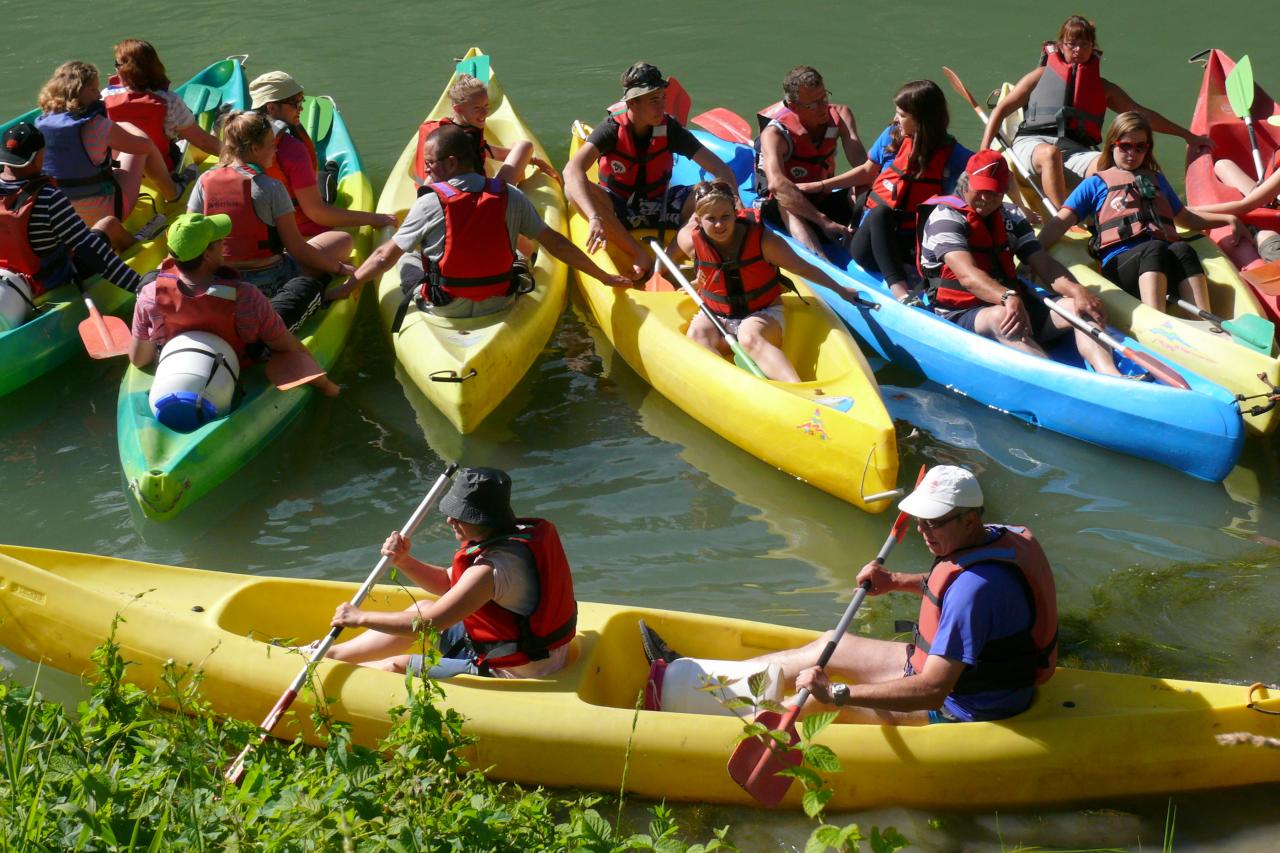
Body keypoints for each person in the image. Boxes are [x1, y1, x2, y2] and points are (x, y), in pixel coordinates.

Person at [642, 465, 1058, 725]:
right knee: (828, 643)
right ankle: (708, 680)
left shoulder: (975, 591)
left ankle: (705, 721)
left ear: (969, 520)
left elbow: (933, 690)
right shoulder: (999, 538)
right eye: (919, 520)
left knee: (807, 705)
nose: (922, 530)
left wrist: (838, 693)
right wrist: (896, 580)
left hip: (964, 706)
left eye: (934, 522)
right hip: (954, 675)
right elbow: (951, 590)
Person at [328, 124, 630, 326]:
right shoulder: (509, 195)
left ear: (450, 163)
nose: (428, 170)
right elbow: (556, 243)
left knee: (405, 254)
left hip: (444, 306)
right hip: (500, 301)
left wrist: (349, 287)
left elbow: (383, 257)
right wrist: (603, 276)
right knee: (522, 254)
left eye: (431, 162)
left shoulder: (429, 201)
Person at [324, 467, 578, 679]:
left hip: (514, 669)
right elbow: (448, 582)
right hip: (528, 648)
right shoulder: (509, 537)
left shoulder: (491, 569)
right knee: (421, 606)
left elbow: (431, 624)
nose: (449, 521)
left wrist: (360, 617)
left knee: (397, 666)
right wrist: (403, 561)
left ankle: (325, 677)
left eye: (458, 516)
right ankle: (330, 655)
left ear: (481, 519)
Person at [918, 150, 1121, 376]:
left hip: (1011, 304)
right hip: (960, 312)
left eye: (995, 192)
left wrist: (1077, 291)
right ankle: (1058, 380)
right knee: (1001, 315)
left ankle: (1112, 375)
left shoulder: (1011, 217)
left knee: (1078, 307)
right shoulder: (945, 218)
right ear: (966, 183)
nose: (986, 198)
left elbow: (1043, 263)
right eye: (981, 189)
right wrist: (1007, 296)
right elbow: (967, 275)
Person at [981, 15, 1210, 209]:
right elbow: (1001, 110)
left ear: (1093, 47)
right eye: (1072, 44)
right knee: (1050, 154)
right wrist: (983, 152)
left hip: (1075, 152)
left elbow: (1142, 115)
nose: (1078, 50)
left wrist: (1188, 136)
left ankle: (1153, 208)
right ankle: (1065, 218)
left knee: (1117, 164)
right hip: (1033, 144)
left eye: (1085, 44)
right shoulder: (1040, 75)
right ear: (1061, 45)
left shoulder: (1103, 88)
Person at [1037, 112, 1247, 313]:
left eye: (1140, 147)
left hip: (1161, 261)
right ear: (1112, 145)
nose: (1132, 154)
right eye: (1126, 146)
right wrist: (1032, 256)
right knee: (1153, 249)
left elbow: (1186, 218)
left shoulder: (1157, 180)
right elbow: (1059, 223)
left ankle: (1206, 321)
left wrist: (1228, 219)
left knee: (1183, 249)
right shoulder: (1095, 183)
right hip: (1121, 267)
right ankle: (1156, 319)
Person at [675, 180, 870, 382]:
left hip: (761, 312)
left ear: (735, 213)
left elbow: (802, 267)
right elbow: (706, 266)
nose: (719, 224)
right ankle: (729, 386)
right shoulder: (690, 240)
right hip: (717, 312)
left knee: (749, 337)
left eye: (725, 216)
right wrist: (699, 282)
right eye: (711, 218)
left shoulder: (765, 242)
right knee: (697, 335)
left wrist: (840, 289)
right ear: (698, 220)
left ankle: (798, 389)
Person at [128, 212, 339, 396]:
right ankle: (323, 291)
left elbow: (139, 359)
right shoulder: (246, 295)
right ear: (208, 254)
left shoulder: (148, 296)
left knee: (151, 277)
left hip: (181, 361)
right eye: (219, 240)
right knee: (305, 286)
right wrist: (326, 386)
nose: (223, 244)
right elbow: (285, 345)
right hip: (241, 361)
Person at [564, 62, 740, 279]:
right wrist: (594, 217)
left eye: (663, 98)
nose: (662, 107)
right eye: (654, 100)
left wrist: (734, 201)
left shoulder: (670, 129)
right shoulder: (611, 129)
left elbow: (718, 167)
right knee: (572, 190)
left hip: (662, 204)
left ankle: (674, 255)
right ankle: (639, 254)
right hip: (619, 207)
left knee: (711, 191)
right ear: (633, 103)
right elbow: (572, 171)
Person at [188, 110, 356, 330]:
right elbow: (297, 249)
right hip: (272, 279)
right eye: (271, 144)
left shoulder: (204, 181)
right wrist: (338, 268)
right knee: (343, 240)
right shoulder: (271, 187)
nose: (275, 148)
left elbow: (192, 234)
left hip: (222, 278)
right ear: (255, 148)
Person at [805, 80, 972, 300]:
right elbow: (866, 171)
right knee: (880, 212)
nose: (895, 119)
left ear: (921, 118)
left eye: (902, 115)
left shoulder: (952, 153)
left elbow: (989, 170)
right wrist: (818, 186)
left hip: (914, 244)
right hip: (870, 244)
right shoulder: (892, 135)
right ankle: (901, 292)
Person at [35, 60, 184, 247]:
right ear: (77, 91)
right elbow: (144, 146)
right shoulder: (97, 126)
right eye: (93, 90)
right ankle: (173, 193)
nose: (99, 95)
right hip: (103, 213)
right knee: (144, 146)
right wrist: (126, 127)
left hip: (63, 217)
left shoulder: (40, 124)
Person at [0, 121, 141, 305]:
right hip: (53, 280)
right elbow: (91, 250)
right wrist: (139, 286)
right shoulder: (48, 198)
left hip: (8, 280)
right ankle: (141, 252)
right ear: (36, 159)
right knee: (109, 224)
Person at [249, 71, 396, 238]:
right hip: (300, 228)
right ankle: (330, 170)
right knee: (324, 181)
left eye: (301, 101)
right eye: (295, 103)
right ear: (271, 108)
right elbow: (317, 213)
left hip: (263, 230)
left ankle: (328, 170)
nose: (301, 108)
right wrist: (375, 219)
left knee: (319, 178)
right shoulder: (293, 149)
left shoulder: (239, 140)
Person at [754, 65, 868, 254]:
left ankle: (863, 242)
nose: (823, 107)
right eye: (812, 104)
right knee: (785, 200)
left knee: (863, 187)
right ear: (793, 107)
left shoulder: (841, 115)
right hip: (787, 208)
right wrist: (824, 222)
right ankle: (821, 264)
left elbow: (864, 167)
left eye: (824, 97)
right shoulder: (775, 134)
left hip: (822, 196)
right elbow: (777, 185)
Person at [410, 73, 559, 188]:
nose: (484, 113)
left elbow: (486, 150)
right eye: (477, 108)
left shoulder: (463, 131)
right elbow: (432, 179)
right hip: (481, 194)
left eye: (486, 106)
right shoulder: (456, 140)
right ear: (458, 108)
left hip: (478, 186)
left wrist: (533, 160)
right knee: (524, 146)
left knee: (523, 146)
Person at [103, 39, 220, 175]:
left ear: (124, 69)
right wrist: (238, 154)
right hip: (163, 170)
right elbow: (203, 141)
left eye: (116, 64)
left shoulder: (104, 97)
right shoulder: (169, 100)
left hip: (121, 171)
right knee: (183, 140)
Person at [1196, 154, 1280, 265]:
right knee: (1222, 165)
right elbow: (1245, 206)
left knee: (1264, 235)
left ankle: (1254, 231)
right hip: (1271, 205)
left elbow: (1244, 206)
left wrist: (1187, 212)